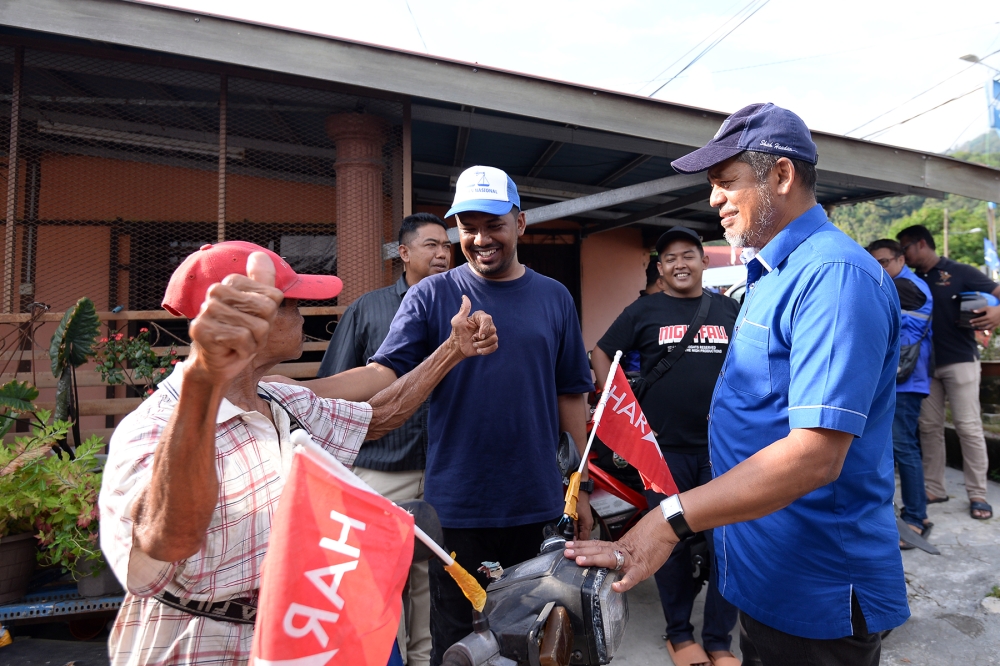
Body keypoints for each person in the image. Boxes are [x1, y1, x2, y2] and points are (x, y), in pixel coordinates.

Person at [565, 103, 909, 666]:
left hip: (813, 584)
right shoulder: (771, 276)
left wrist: (669, 519)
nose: (713, 199)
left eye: (726, 182)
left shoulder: (834, 277)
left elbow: (814, 457)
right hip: (764, 568)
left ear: (781, 175)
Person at [98, 241, 498, 666]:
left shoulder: (278, 401)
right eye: (291, 304)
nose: (303, 314)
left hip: (297, 640)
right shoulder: (153, 427)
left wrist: (452, 350)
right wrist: (204, 385)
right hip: (199, 648)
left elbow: (377, 415)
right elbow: (166, 543)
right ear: (249, 316)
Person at [297, 166, 594, 665]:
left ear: (520, 223)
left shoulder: (555, 298)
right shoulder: (431, 296)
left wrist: (579, 488)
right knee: (456, 643)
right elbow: (382, 372)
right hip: (457, 506)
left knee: (539, 641)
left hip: (539, 501)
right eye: (469, 226)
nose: (480, 238)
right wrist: (301, 392)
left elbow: (571, 396)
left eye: (494, 223)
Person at [593, 226, 740, 666]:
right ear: (660, 268)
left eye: (689, 255)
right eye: (670, 258)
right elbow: (601, 353)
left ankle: (719, 640)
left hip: (721, 451)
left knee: (727, 545)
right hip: (663, 454)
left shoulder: (729, 309)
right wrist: (616, 407)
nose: (680, 264)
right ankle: (679, 634)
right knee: (671, 542)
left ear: (703, 262)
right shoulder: (644, 310)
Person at [317, 212, 451, 666]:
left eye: (446, 245)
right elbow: (336, 381)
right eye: (430, 244)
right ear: (404, 253)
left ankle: (424, 659)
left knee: (430, 580)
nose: (441, 253)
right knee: (377, 580)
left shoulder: (464, 305)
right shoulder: (368, 308)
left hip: (442, 471)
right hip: (379, 469)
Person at [895, 224, 997, 520]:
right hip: (925, 367)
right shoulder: (910, 280)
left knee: (968, 427)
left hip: (960, 359)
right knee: (929, 428)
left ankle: (978, 494)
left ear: (922, 244)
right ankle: (934, 487)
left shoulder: (959, 271)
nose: (904, 254)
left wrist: (996, 313)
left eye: (906, 248)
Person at [866, 239, 934, 546]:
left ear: (899, 260)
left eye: (882, 262)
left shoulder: (906, 287)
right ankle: (916, 512)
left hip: (907, 379)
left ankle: (916, 519)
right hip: (901, 379)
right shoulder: (901, 283)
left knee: (904, 448)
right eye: (874, 262)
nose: (877, 269)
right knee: (902, 447)